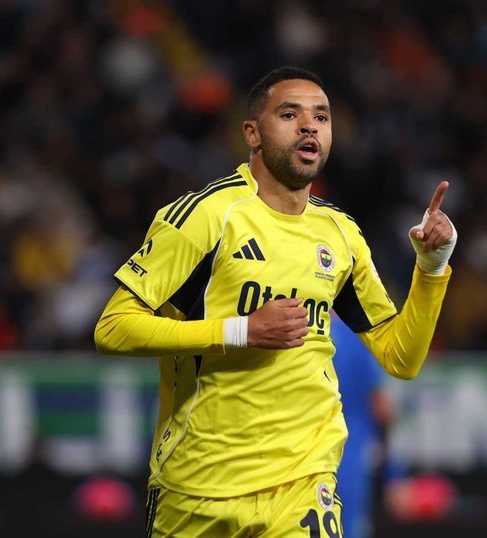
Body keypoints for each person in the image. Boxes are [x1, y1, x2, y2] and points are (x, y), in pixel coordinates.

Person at [94, 66, 456, 537]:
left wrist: (430, 269)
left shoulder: (341, 234)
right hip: (198, 485)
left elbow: (400, 357)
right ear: (252, 133)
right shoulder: (206, 217)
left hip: (304, 483)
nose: (309, 126)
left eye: (321, 117)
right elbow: (114, 328)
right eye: (289, 115)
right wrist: (242, 330)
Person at [331, 314, 393, 538]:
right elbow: (383, 409)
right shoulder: (358, 337)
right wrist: (392, 471)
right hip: (350, 458)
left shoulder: (297, 334)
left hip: (305, 458)